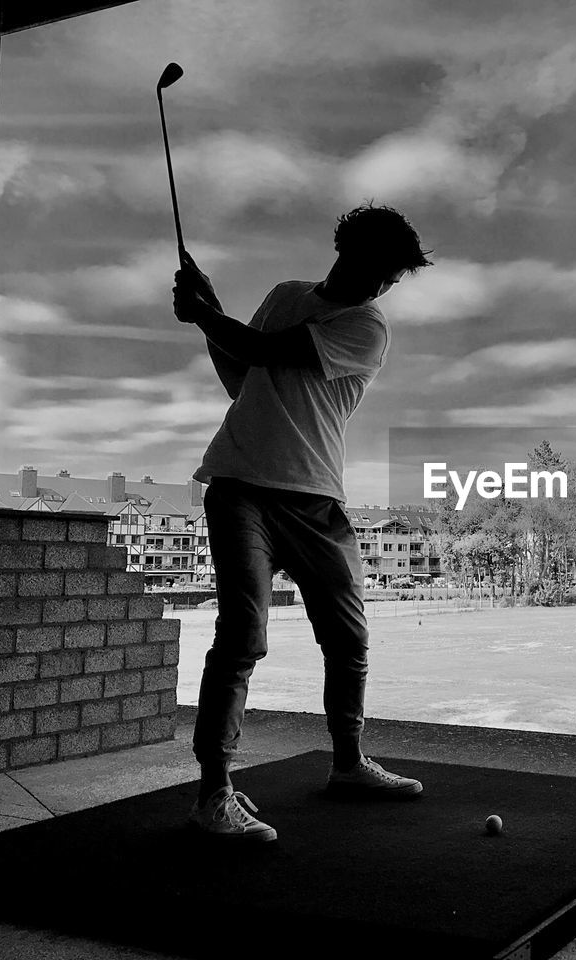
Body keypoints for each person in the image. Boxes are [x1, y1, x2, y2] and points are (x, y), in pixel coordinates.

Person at [172, 203, 433, 841]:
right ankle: (214, 793)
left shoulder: (366, 326)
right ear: (348, 251)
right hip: (240, 486)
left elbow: (263, 348)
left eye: (393, 277)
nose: (384, 286)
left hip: (317, 499)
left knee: (349, 640)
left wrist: (206, 312)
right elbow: (244, 377)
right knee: (241, 639)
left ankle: (348, 764)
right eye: (381, 269)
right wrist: (209, 316)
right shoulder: (286, 296)